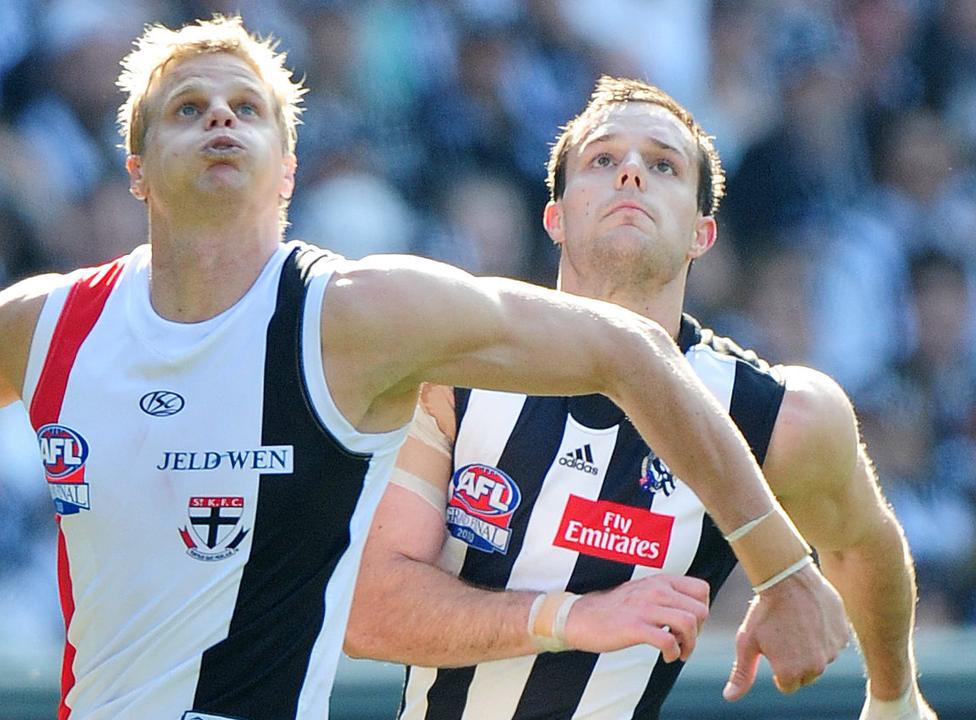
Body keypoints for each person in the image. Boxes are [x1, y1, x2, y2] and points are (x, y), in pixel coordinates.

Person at [0, 20, 846, 720]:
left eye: (247, 108)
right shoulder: (50, 323)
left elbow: (626, 350)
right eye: (188, 107)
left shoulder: (352, 313)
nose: (219, 120)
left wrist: (780, 564)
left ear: (287, 168)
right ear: (135, 165)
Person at [345, 76, 935, 720]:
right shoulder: (456, 369)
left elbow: (860, 544)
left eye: (663, 164)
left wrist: (894, 697)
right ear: (556, 218)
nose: (630, 173)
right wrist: (573, 618)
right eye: (602, 159)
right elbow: (371, 611)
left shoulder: (776, 415)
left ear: (701, 234)